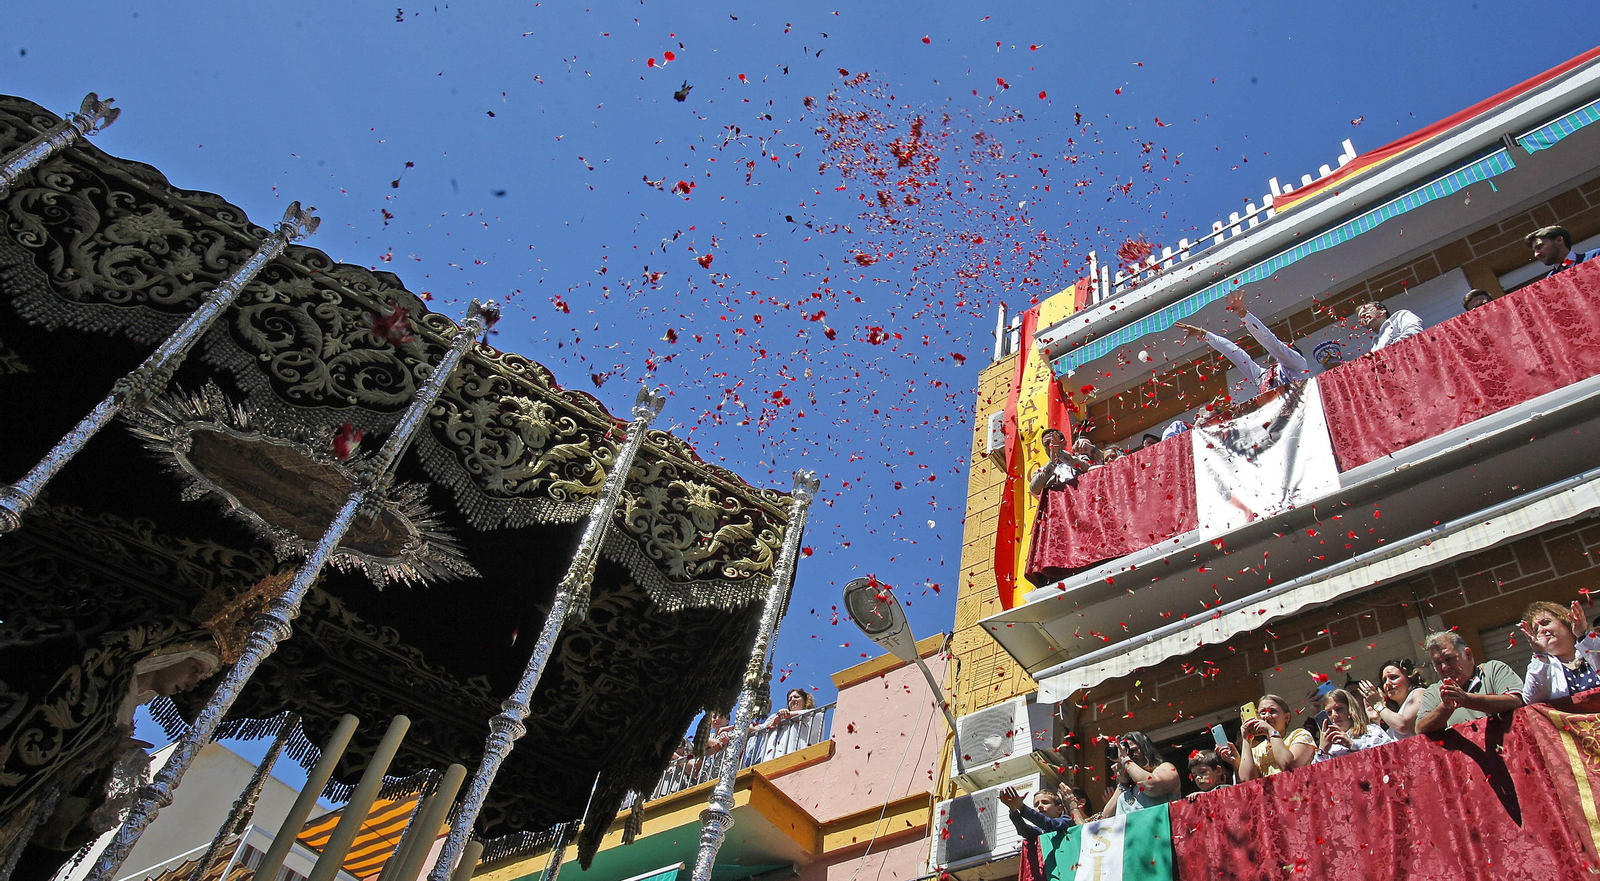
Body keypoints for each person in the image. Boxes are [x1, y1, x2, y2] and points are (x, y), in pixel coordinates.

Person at [0, 620, 221, 869]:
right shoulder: (108, 684)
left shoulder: (127, 703)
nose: (192, 684)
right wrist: (106, 747)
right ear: (173, 654)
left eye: (200, 679)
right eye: (195, 669)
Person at [1176, 291, 1311, 400]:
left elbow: (1270, 341)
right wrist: (1203, 333)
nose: (1280, 350)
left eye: (1287, 348)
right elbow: (1235, 353)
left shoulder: (1298, 365)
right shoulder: (1262, 377)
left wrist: (1243, 314)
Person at [1415, 631, 1524, 733]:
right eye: (1437, 663)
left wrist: (1466, 700)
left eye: (1448, 659)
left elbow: (1516, 701)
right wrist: (1445, 706)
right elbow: (1420, 729)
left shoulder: (1493, 670)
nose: (1444, 667)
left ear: (1468, 654)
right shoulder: (1434, 692)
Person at [1519, 600, 1600, 704]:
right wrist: (1540, 654)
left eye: (1546, 622)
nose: (1541, 630)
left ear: (1566, 623)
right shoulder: (1542, 666)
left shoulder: (1590, 645)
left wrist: (1583, 635)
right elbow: (1531, 700)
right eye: (1536, 630)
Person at [1236, 694, 1315, 780]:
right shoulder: (1257, 749)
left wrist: (1271, 731)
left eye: (1272, 711)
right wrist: (1246, 739)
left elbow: (1289, 765)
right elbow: (1246, 779)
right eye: (1262, 712)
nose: (1266, 716)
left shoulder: (1300, 735)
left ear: (1287, 717)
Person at [1101, 731, 1180, 817]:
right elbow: (1106, 818)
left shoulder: (1166, 768)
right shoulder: (1126, 787)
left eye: (1133, 750)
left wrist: (1125, 760)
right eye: (1125, 752)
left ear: (1145, 750)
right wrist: (1122, 784)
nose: (1130, 756)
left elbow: (1151, 787)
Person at [1312, 688, 1395, 762]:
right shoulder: (1328, 746)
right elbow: (1313, 776)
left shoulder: (1372, 731)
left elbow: (1390, 755)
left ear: (1350, 710)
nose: (1334, 715)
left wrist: (1351, 744)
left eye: (1339, 709)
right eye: (1329, 712)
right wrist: (1322, 750)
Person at [1358, 659, 1428, 739]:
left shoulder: (1419, 693)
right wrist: (1375, 721)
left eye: (1393, 677)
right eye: (1384, 680)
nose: (1387, 683)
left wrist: (1378, 705)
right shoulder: (1395, 716)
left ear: (1409, 678)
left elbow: (1403, 726)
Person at [756, 688, 820, 761]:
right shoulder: (778, 719)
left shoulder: (815, 714)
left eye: (796, 697)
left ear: (805, 701)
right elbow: (760, 729)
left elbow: (811, 716)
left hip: (798, 755)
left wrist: (787, 714)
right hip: (773, 757)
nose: (792, 700)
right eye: (790, 699)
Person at [998, 783, 1076, 839]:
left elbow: (1047, 823)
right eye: (1036, 805)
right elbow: (1024, 831)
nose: (1040, 806)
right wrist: (1013, 809)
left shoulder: (1067, 821)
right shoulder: (1041, 831)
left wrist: (1021, 807)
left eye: (1045, 803)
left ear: (1059, 809)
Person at [1029, 429, 1090, 495]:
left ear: (1064, 444)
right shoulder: (1041, 471)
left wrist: (1060, 454)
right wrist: (1052, 462)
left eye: (1053, 442)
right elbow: (1034, 489)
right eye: (1047, 444)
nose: (1051, 446)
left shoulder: (1079, 459)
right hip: (1060, 502)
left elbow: (1088, 469)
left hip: (1083, 497)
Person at [1526, 225, 1600, 279]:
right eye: (1534, 251)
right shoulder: (1549, 281)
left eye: (1539, 247)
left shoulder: (1596, 257)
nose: (1536, 254)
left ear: (1559, 240)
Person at [1355, 301, 1423, 352]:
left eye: (1367, 310)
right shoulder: (1375, 346)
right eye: (1361, 317)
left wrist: (1388, 349)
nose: (1364, 315)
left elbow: (1414, 331)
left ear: (1382, 310)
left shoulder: (1399, 317)